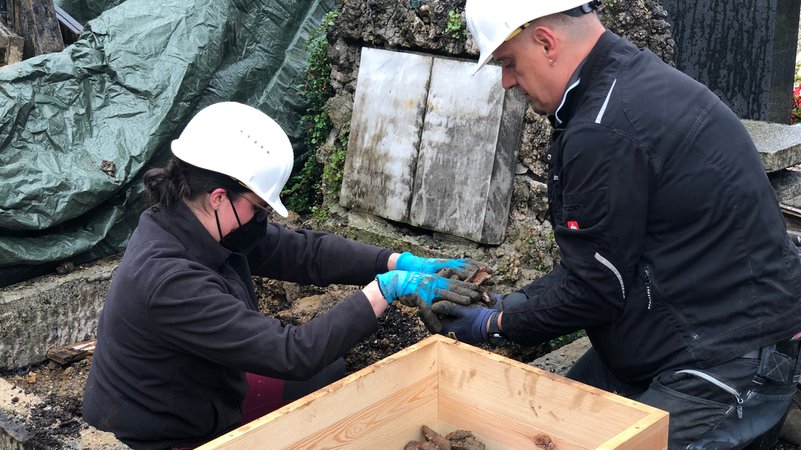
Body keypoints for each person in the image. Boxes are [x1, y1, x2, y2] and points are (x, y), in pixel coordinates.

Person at [432, 1, 801, 448]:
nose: (507, 81)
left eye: (509, 62)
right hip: (683, 327)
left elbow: (594, 291)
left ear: (545, 42)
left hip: (729, 356)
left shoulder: (604, 128)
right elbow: (599, 262)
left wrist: (493, 323)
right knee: (541, 429)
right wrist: (516, 301)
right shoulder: (624, 81)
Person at [82, 101, 480, 449]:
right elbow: (292, 354)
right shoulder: (170, 282)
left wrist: (395, 261)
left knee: (328, 372)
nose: (261, 219)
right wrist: (384, 290)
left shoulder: (196, 223)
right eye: (258, 207)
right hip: (166, 432)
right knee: (310, 374)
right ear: (218, 197)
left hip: (204, 390)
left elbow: (305, 252)